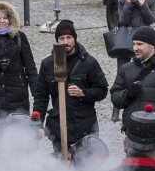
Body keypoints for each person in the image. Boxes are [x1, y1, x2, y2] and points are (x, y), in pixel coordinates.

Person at [108, 25, 155, 169]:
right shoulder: (126, 69)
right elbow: (115, 97)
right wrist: (127, 94)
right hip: (132, 136)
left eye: (140, 44)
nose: (135, 48)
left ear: (152, 45)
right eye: (134, 44)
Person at [31, 19, 109, 160]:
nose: (66, 42)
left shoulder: (89, 63)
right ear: (57, 40)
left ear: (74, 38)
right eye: (61, 38)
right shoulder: (48, 64)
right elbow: (40, 97)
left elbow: (102, 90)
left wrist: (83, 93)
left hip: (85, 127)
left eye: (69, 37)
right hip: (59, 128)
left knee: (85, 168)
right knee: (62, 168)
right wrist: (39, 123)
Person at [0, 1, 36, 116]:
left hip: (17, 95)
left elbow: (30, 67)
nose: (2, 21)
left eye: (5, 18)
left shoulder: (19, 38)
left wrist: (36, 93)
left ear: (11, 19)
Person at [113, 0, 155, 67]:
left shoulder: (150, 0)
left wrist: (143, 4)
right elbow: (123, 20)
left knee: (146, 67)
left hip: (143, 37)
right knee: (122, 68)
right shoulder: (123, 0)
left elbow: (151, 19)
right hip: (126, 37)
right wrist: (128, 4)